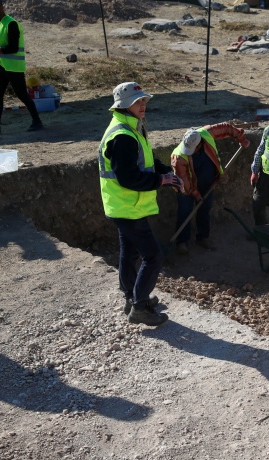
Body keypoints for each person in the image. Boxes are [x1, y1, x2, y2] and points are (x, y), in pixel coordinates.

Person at [98, 82, 183, 326]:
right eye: (138, 102)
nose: (143, 105)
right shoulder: (123, 136)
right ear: (125, 106)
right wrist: (162, 180)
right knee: (153, 256)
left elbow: (146, 160)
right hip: (128, 206)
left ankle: (131, 297)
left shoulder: (131, 128)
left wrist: (166, 172)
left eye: (144, 100)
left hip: (124, 205)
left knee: (129, 252)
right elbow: (128, 177)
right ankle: (140, 307)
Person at [171, 124, 250, 254]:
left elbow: (227, 128)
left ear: (200, 143)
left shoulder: (206, 134)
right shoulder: (179, 156)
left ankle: (202, 237)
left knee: (205, 209)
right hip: (186, 187)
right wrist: (194, 192)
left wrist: (241, 138)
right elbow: (183, 180)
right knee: (184, 212)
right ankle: (182, 242)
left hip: (207, 183)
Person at [0, 0, 43, 135]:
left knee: (22, 94)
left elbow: (12, 48)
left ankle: (37, 122)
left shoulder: (11, 24)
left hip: (13, 67)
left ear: (1, 6)